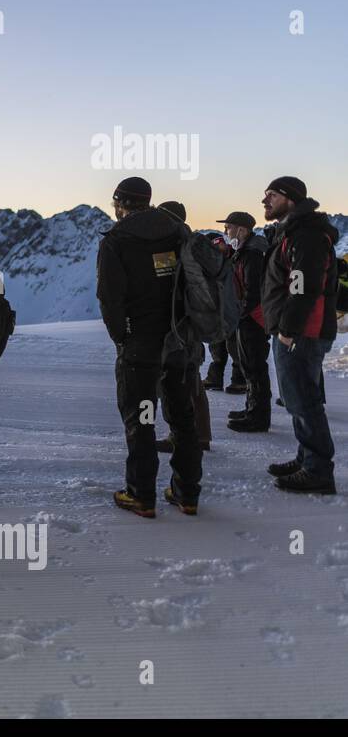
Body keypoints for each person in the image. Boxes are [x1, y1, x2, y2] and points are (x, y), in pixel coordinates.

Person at [96, 178, 203, 517]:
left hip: (141, 345)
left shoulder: (117, 240)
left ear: (120, 203)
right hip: (179, 339)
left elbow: (110, 298)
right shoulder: (177, 230)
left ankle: (141, 494)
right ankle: (187, 494)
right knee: (183, 417)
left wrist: (122, 338)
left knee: (142, 417)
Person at [260, 177, 339, 494]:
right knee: (297, 400)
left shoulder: (305, 236)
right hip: (295, 331)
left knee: (304, 401)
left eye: (271, 195)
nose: (264, 201)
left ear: (290, 199)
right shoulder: (294, 232)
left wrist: (289, 330)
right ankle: (307, 457)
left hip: (301, 333)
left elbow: (302, 287)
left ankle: (318, 470)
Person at [154, 202, 211, 455]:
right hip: (192, 322)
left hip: (178, 323)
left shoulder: (174, 244)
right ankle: (200, 435)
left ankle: (186, 436)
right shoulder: (190, 242)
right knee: (192, 379)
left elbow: (165, 282)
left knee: (180, 381)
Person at [220, 211, 272, 433]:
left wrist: (240, 313)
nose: (226, 232)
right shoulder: (244, 251)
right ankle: (252, 408)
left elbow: (253, 290)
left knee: (254, 366)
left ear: (241, 230)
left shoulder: (252, 253)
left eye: (229, 227)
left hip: (254, 318)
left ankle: (258, 417)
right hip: (249, 317)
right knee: (249, 365)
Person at [203, 233, 246, 394]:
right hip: (217, 309)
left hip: (231, 308)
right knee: (217, 345)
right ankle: (215, 378)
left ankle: (239, 380)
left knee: (234, 345)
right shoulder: (211, 262)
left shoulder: (232, 258)